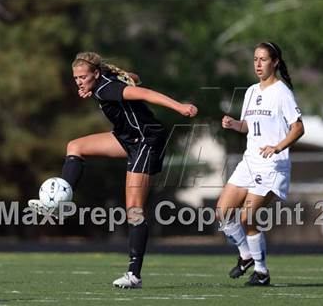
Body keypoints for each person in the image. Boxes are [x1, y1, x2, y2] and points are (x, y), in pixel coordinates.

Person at [30, 51, 198, 289]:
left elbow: (145, 93)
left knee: (134, 210)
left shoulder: (106, 89)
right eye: (76, 77)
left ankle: (134, 275)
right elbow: (134, 78)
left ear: (95, 74)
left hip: (145, 141)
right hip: (127, 138)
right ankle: (61, 202)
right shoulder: (104, 79)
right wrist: (125, 76)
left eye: (82, 77)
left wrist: (179, 107)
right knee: (75, 146)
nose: (79, 81)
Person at [217, 42, 304, 286]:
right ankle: (245, 255)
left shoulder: (282, 92)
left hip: (272, 165)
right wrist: (235, 124)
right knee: (222, 212)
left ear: (275, 62)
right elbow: (249, 126)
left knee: (246, 218)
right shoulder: (251, 91)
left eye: (263, 59)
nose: (257, 64)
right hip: (250, 161)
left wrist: (278, 146)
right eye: (255, 59)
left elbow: (298, 128)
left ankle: (262, 272)